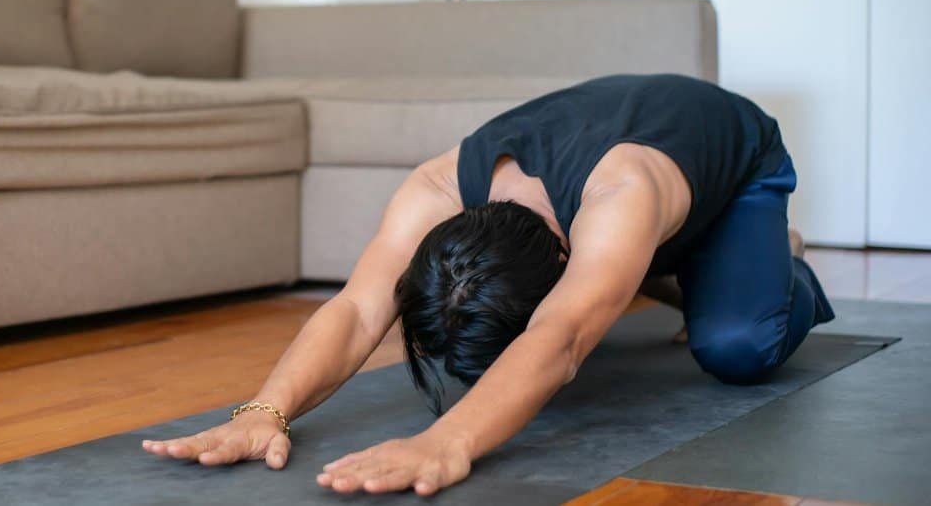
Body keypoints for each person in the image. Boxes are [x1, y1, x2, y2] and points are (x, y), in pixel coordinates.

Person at [140, 73, 836, 497]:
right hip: (626, 210)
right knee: (618, 276)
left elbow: (560, 338)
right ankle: (681, 268)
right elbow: (356, 308)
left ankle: (780, 259)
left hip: (734, 158)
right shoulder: (438, 188)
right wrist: (267, 408)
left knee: (737, 342)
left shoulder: (621, 193)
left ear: (561, 264)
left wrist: (449, 439)